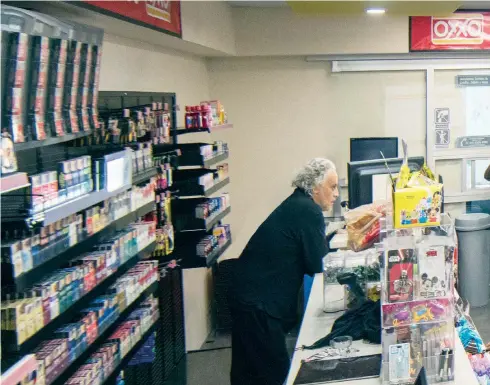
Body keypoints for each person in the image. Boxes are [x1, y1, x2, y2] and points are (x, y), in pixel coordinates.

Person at [229, 158, 339, 385]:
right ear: (316, 187)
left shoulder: (298, 204)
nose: (336, 193)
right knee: (274, 372)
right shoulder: (308, 211)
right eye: (333, 186)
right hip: (260, 304)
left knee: (248, 370)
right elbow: (317, 264)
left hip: (247, 295)